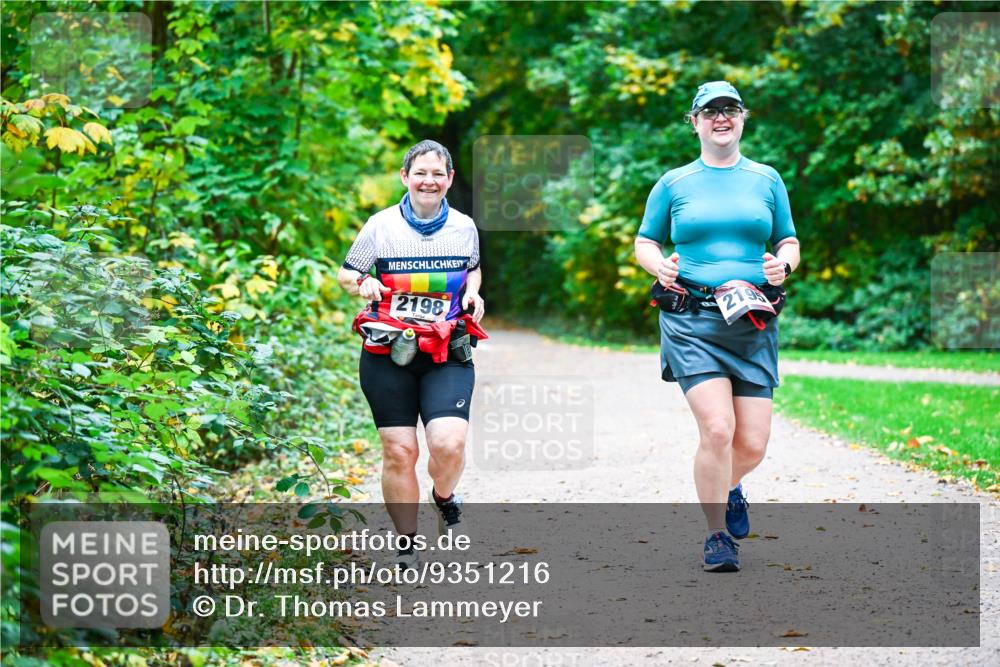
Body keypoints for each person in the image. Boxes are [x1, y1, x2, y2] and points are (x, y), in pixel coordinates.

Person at [634, 81, 801, 572]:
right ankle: (716, 536)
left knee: (752, 443)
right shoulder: (674, 183)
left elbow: (788, 240)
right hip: (692, 319)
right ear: (695, 122)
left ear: (743, 117)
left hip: (751, 319)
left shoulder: (767, 179)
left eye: (729, 110)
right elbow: (645, 241)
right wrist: (658, 264)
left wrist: (783, 267)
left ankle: (728, 485)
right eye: (710, 112)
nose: (720, 118)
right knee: (717, 427)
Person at [338, 140, 486, 568]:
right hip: (389, 351)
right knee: (400, 451)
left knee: (449, 444)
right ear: (405, 177)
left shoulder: (463, 226)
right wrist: (362, 283)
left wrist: (473, 293)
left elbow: (472, 266)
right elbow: (347, 273)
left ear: (450, 180)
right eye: (420, 172)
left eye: (438, 173)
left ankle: (444, 497)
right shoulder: (380, 226)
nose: (429, 180)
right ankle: (407, 544)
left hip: (447, 349)